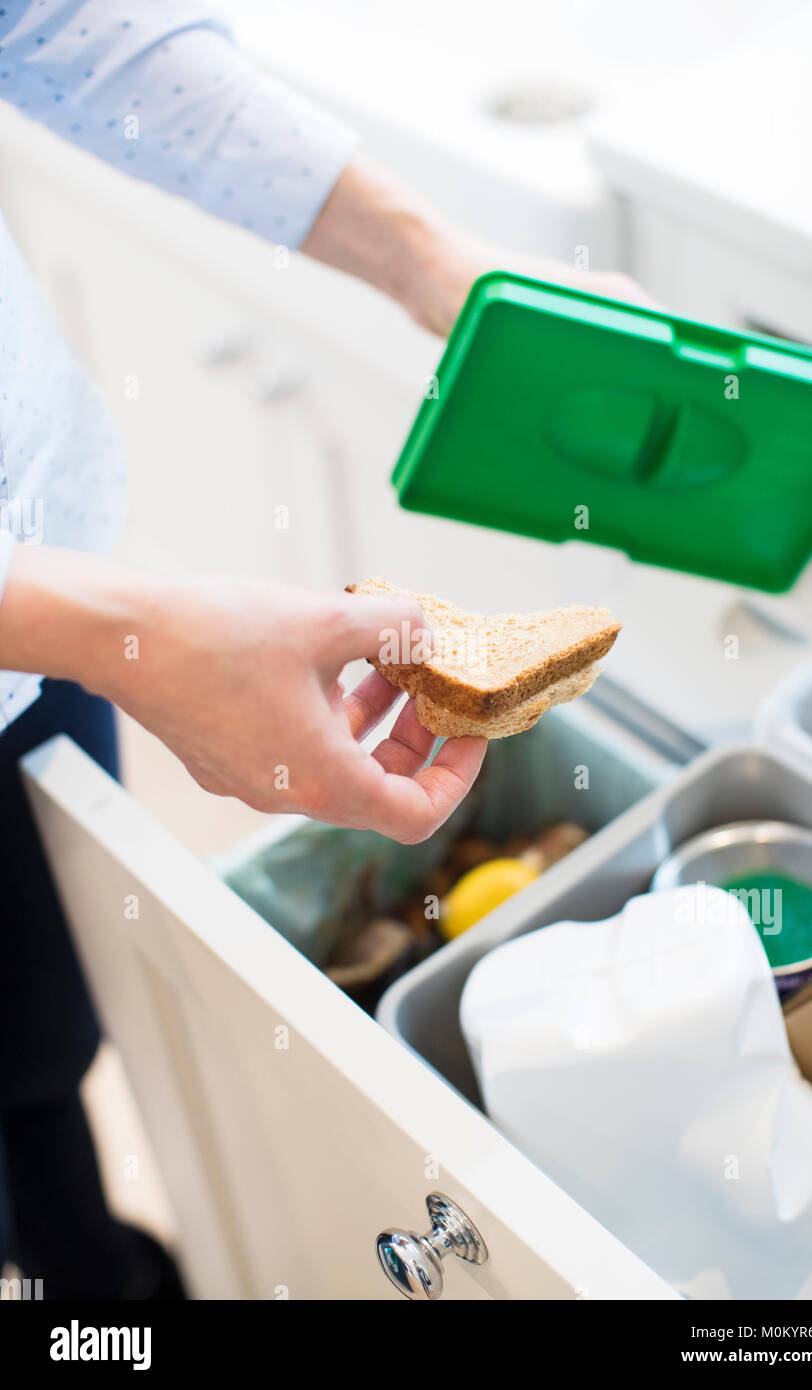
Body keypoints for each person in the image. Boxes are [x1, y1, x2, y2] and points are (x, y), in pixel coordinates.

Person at [0, 1, 647, 1298]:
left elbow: (54, 19)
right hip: (56, 605)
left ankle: (83, 1261)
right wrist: (121, 634)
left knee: (39, 1024)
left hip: (36, 541)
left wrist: (439, 267)